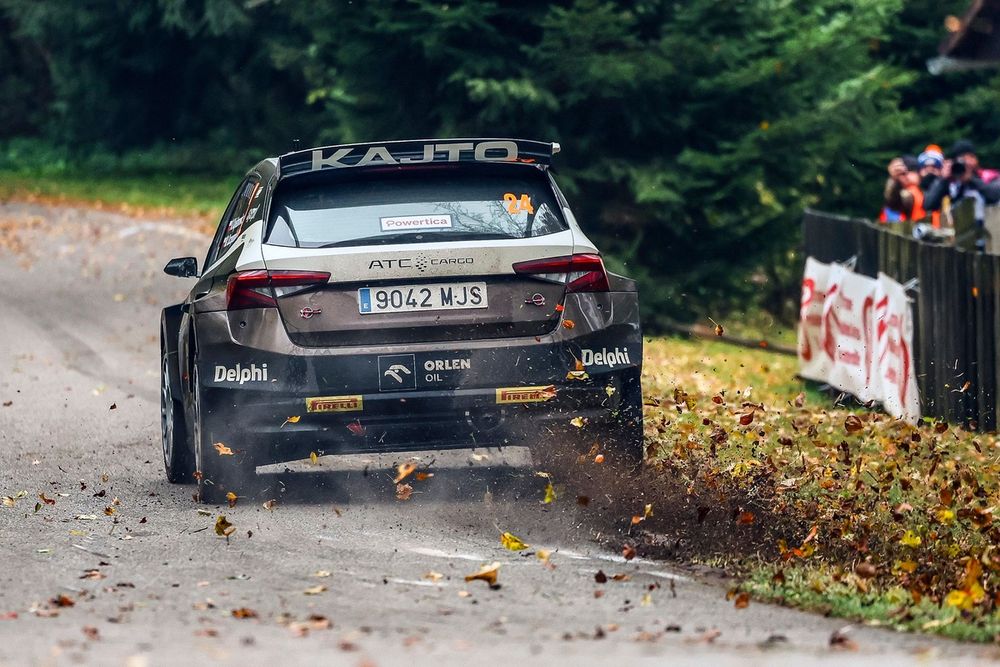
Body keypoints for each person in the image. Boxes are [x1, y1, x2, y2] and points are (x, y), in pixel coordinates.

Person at [879, 155, 926, 223]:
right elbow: (893, 200)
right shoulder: (900, 191)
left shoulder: (919, 190)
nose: (906, 176)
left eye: (905, 173)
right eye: (902, 174)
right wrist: (894, 180)